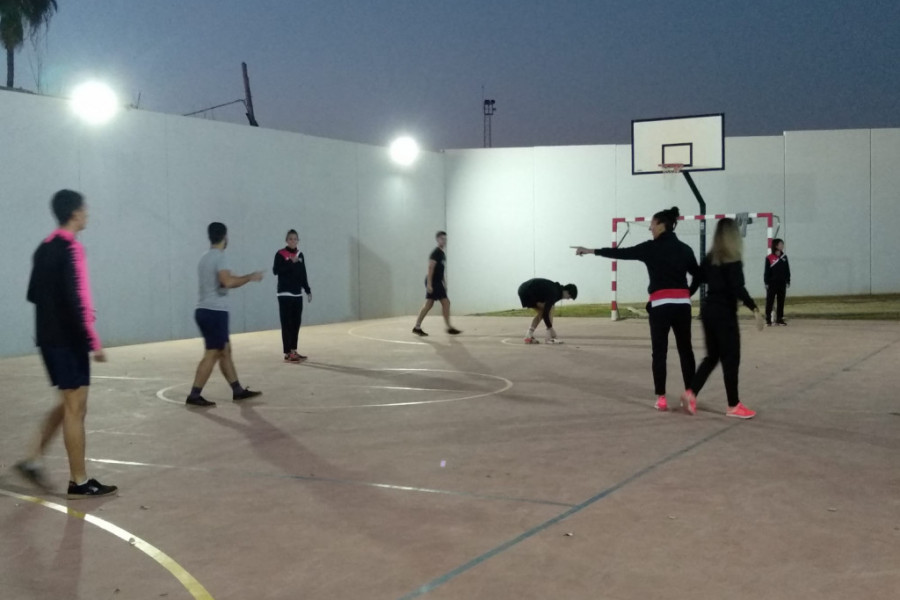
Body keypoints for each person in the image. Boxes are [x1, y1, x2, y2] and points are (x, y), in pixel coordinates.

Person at [15, 190, 117, 498]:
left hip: (48, 338)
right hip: (68, 339)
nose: (88, 214)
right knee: (76, 407)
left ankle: (33, 460)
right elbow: (77, 298)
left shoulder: (44, 248)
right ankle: (80, 482)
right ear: (74, 213)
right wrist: (92, 339)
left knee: (67, 403)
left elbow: (33, 293)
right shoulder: (72, 249)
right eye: (85, 209)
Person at [574, 206, 699, 412]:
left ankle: (661, 398)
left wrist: (591, 250)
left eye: (651, 225)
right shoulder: (685, 249)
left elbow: (620, 253)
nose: (650, 229)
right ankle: (690, 395)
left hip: (660, 306)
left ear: (661, 224)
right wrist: (687, 293)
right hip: (682, 306)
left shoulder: (650, 248)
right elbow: (698, 274)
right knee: (686, 351)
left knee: (660, 352)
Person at [681, 218, 764, 418]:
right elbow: (737, 288)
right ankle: (733, 405)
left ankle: (691, 393)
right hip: (725, 314)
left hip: (709, 312)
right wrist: (755, 308)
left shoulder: (710, 258)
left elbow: (696, 281)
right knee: (731, 358)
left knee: (712, 356)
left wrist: (683, 295)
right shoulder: (733, 260)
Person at [185, 222, 265, 407]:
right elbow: (227, 282)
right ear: (225, 237)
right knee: (213, 353)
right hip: (215, 313)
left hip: (204, 310)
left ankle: (237, 390)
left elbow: (220, 282)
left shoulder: (204, 258)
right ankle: (194, 394)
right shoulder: (220, 257)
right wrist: (250, 277)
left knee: (225, 351)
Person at [412, 230, 461, 336]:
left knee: (429, 304)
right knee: (446, 303)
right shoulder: (436, 253)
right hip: (433, 281)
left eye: (445, 239)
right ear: (438, 239)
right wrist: (429, 284)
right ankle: (449, 327)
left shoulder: (442, 254)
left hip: (438, 281)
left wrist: (444, 282)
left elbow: (440, 270)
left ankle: (417, 327)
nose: (444, 241)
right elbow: (430, 268)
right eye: (442, 239)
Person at [273, 229, 312, 362]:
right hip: (284, 293)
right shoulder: (280, 254)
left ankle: (294, 350)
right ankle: (287, 353)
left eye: (295, 239)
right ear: (286, 240)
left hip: (297, 294)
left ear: (298, 241)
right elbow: (276, 270)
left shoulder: (300, 255)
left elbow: (303, 274)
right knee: (286, 323)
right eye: (290, 239)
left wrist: (307, 289)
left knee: (296, 323)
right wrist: (291, 262)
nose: (293, 241)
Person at [517, 278, 578, 344]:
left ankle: (528, 336)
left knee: (544, 311)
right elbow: (545, 314)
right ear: (566, 291)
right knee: (548, 310)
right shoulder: (555, 293)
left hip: (525, 289)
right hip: (527, 291)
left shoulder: (557, 290)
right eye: (570, 296)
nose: (568, 298)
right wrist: (551, 329)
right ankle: (549, 338)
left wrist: (550, 328)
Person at [764, 238, 790, 326]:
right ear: (776, 246)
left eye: (782, 244)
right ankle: (768, 319)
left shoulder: (784, 257)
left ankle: (779, 319)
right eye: (780, 244)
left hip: (782, 283)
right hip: (772, 283)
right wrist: (766, 282)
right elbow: (766, 272)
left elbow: (787, 270)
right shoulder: (769, 258)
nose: (782, 246)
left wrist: (788, 280)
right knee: (770, 301)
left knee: (781, 301)